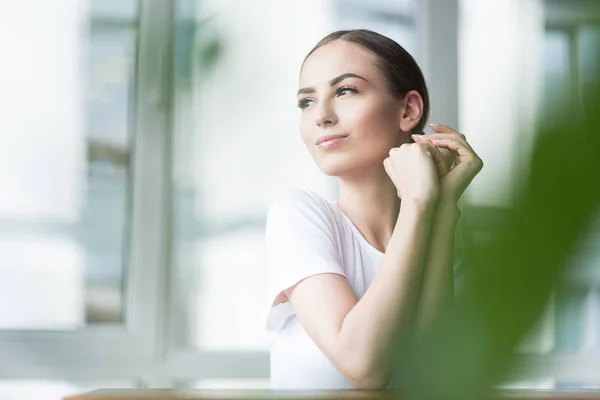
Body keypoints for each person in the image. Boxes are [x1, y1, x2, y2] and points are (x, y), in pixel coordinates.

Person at [264, 29, 483, 390]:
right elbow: (363, 366)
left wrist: (441, 211)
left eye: (345, 90)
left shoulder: (447, 230)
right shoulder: (298, 215)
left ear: (409, 109)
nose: (321, 116)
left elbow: (432, 381)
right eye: (307, 102)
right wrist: (417, 203)